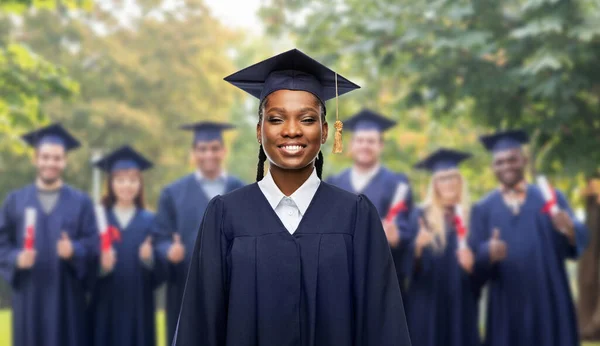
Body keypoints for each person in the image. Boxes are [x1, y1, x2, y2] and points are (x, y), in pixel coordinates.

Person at [173, 48, 411, 346]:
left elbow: (383, 325)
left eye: (307, 119)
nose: (292, 130)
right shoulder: (225, 215)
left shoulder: (355, 216)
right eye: (276, 119)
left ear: (325, 131)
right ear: (259, 131)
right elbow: (200, 325)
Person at [470, 130, 588, 346]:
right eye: (500, 162)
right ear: (493, 167)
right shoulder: (483, 209)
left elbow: (577, 241)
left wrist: (570, 229)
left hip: (549, 297)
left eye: (512, 159)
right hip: (506, 303)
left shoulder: (551, 198)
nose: (507, 166)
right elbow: (475, 268)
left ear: (524, 160)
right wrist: (488, 251)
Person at [0, 123, 99, 346]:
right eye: (45, 157)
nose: (50, 163)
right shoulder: (15, 201)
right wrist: (16, 258)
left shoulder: (81, 202)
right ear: (35, 159)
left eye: (56, 158)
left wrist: (75, 250)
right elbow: (1, 244)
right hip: (29, 301)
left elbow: (93, 246)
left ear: (64, 161)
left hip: (67, 303)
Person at [153, 121, 245, 345]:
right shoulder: (172, 194)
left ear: (223, 151)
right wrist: (168, 251)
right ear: (193, 153)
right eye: (202, 149)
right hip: (185, 287)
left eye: (214, 148)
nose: (208, 154)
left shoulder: (242, 191)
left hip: (232, 289)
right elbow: (160, 238)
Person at [326, 108, 414, 296]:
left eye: (371, 141)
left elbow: (407, 229)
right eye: (360, 140)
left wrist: (397, 236)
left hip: (384, 282)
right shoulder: (334, 184)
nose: (365, 146)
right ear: (351, 145)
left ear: (381, 146)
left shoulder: (397, 184)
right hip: (342, 282)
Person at [88, 145, 166, 346]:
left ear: (140, 184)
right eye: (120, 180)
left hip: (138, 307)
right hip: (104, 306)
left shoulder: (151, 221)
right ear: (111, 183)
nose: (127, 185)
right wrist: (100, 266)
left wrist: (149, 259)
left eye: (133, 180)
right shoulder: (98, 220)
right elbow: (83, 266)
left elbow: (160, 275)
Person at [405, 148, 480, 346]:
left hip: (461, 304)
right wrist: (418, 248)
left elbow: (482, 267)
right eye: (442, 179)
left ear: (459, 181)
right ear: (435, 184)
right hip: (428, 304)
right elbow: (407, 268)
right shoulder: (420, 215)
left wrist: (473, 265)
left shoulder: (473, 216)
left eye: (451, 177)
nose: (447, 183)